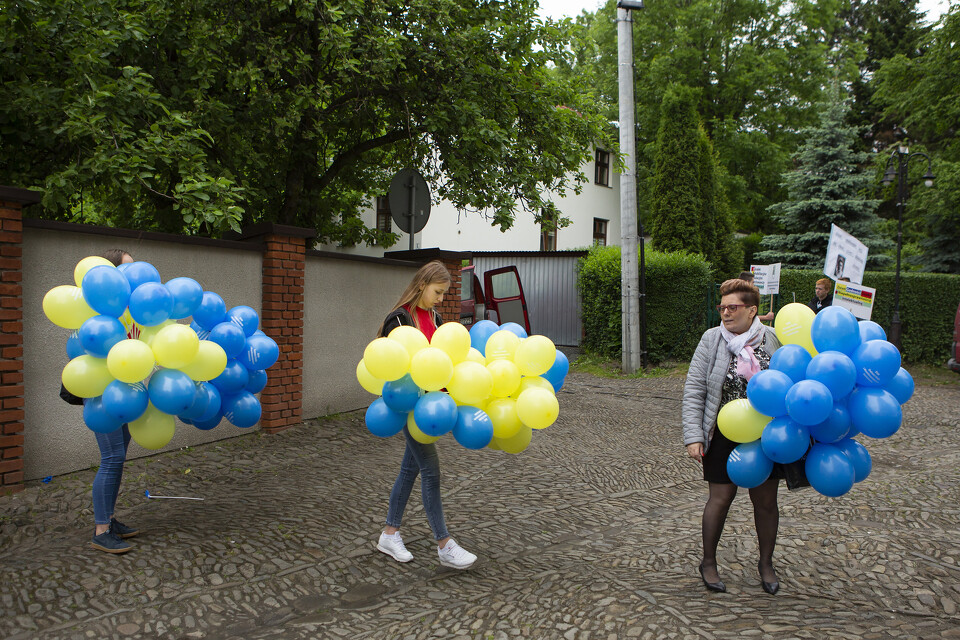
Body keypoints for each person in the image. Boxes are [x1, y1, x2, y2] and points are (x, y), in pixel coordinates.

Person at [682, 278, 783, 595]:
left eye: (733, 307)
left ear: (752, 310)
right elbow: (695, 390)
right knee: (720, 499)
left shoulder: (771, 340)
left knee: (766, 501)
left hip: (764, 434)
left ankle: (766, 564)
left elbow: (786, 384)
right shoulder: (712, 339)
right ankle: (708, 562)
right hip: (722, 431)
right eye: (722, 307)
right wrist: (693, 436)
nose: (725, 312)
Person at [375, 260, 477, 570]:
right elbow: (395, 369)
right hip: (408, 408)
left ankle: (389, 534)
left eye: (445, 294)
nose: (441, 299)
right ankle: (444, 543)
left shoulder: (434, 317)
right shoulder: (400, 320)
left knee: (410, 470)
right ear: (422, 285)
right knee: (431, 469)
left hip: (430, 409)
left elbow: (439, 367)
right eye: (438, 292)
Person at [65, 249, 140, 553]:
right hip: (100, 393)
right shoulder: (94, 313)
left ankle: (109, 518)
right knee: (111, 458)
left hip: (123, 391)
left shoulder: (127, 310)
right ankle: (100, 530)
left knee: (119, 456)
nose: (135, 277)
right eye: (128, 271)